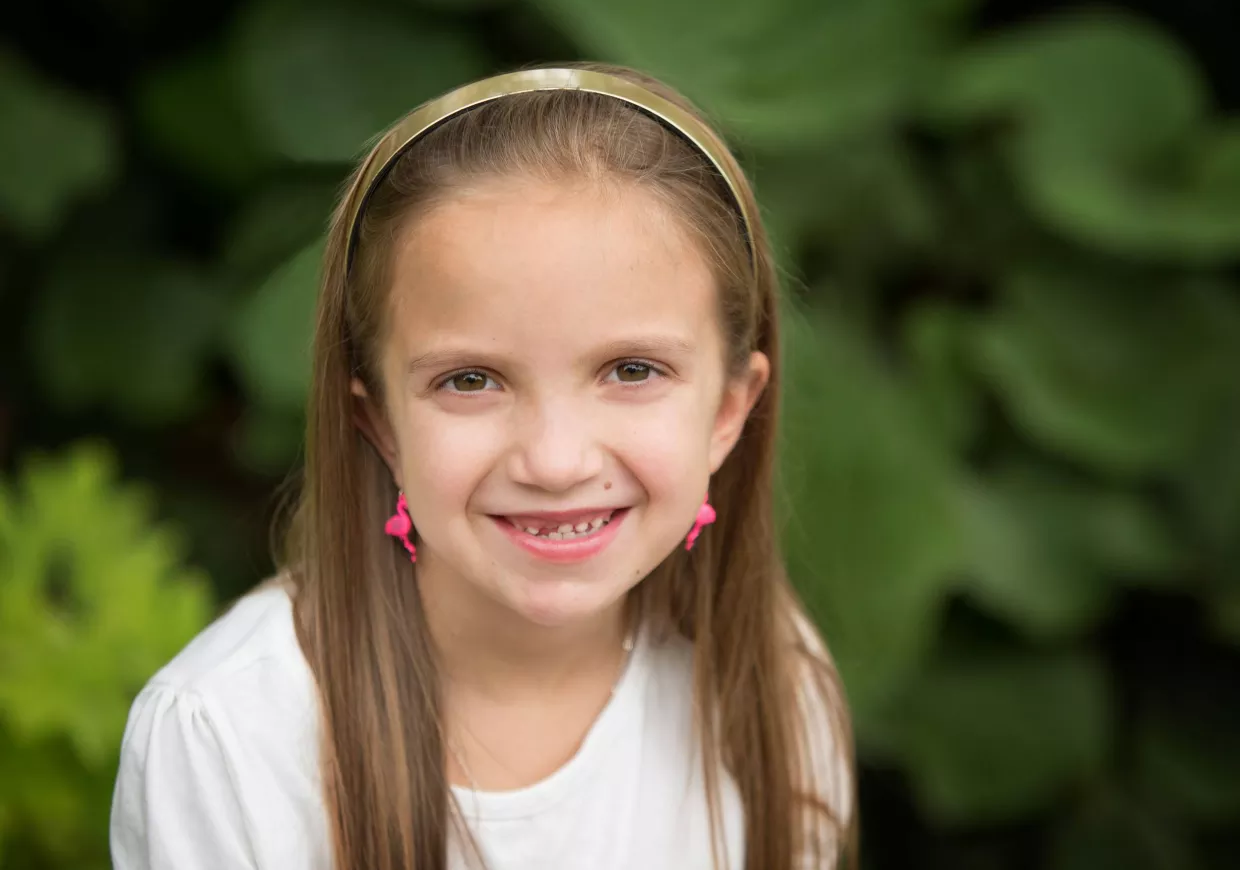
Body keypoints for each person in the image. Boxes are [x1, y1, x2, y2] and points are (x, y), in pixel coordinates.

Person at [109, 64, 855, 870]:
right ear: (379, 422)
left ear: (727, 412)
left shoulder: (772, 693)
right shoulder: (227, 740)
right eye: (471, 380)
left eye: (632, 370)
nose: (555, 461)